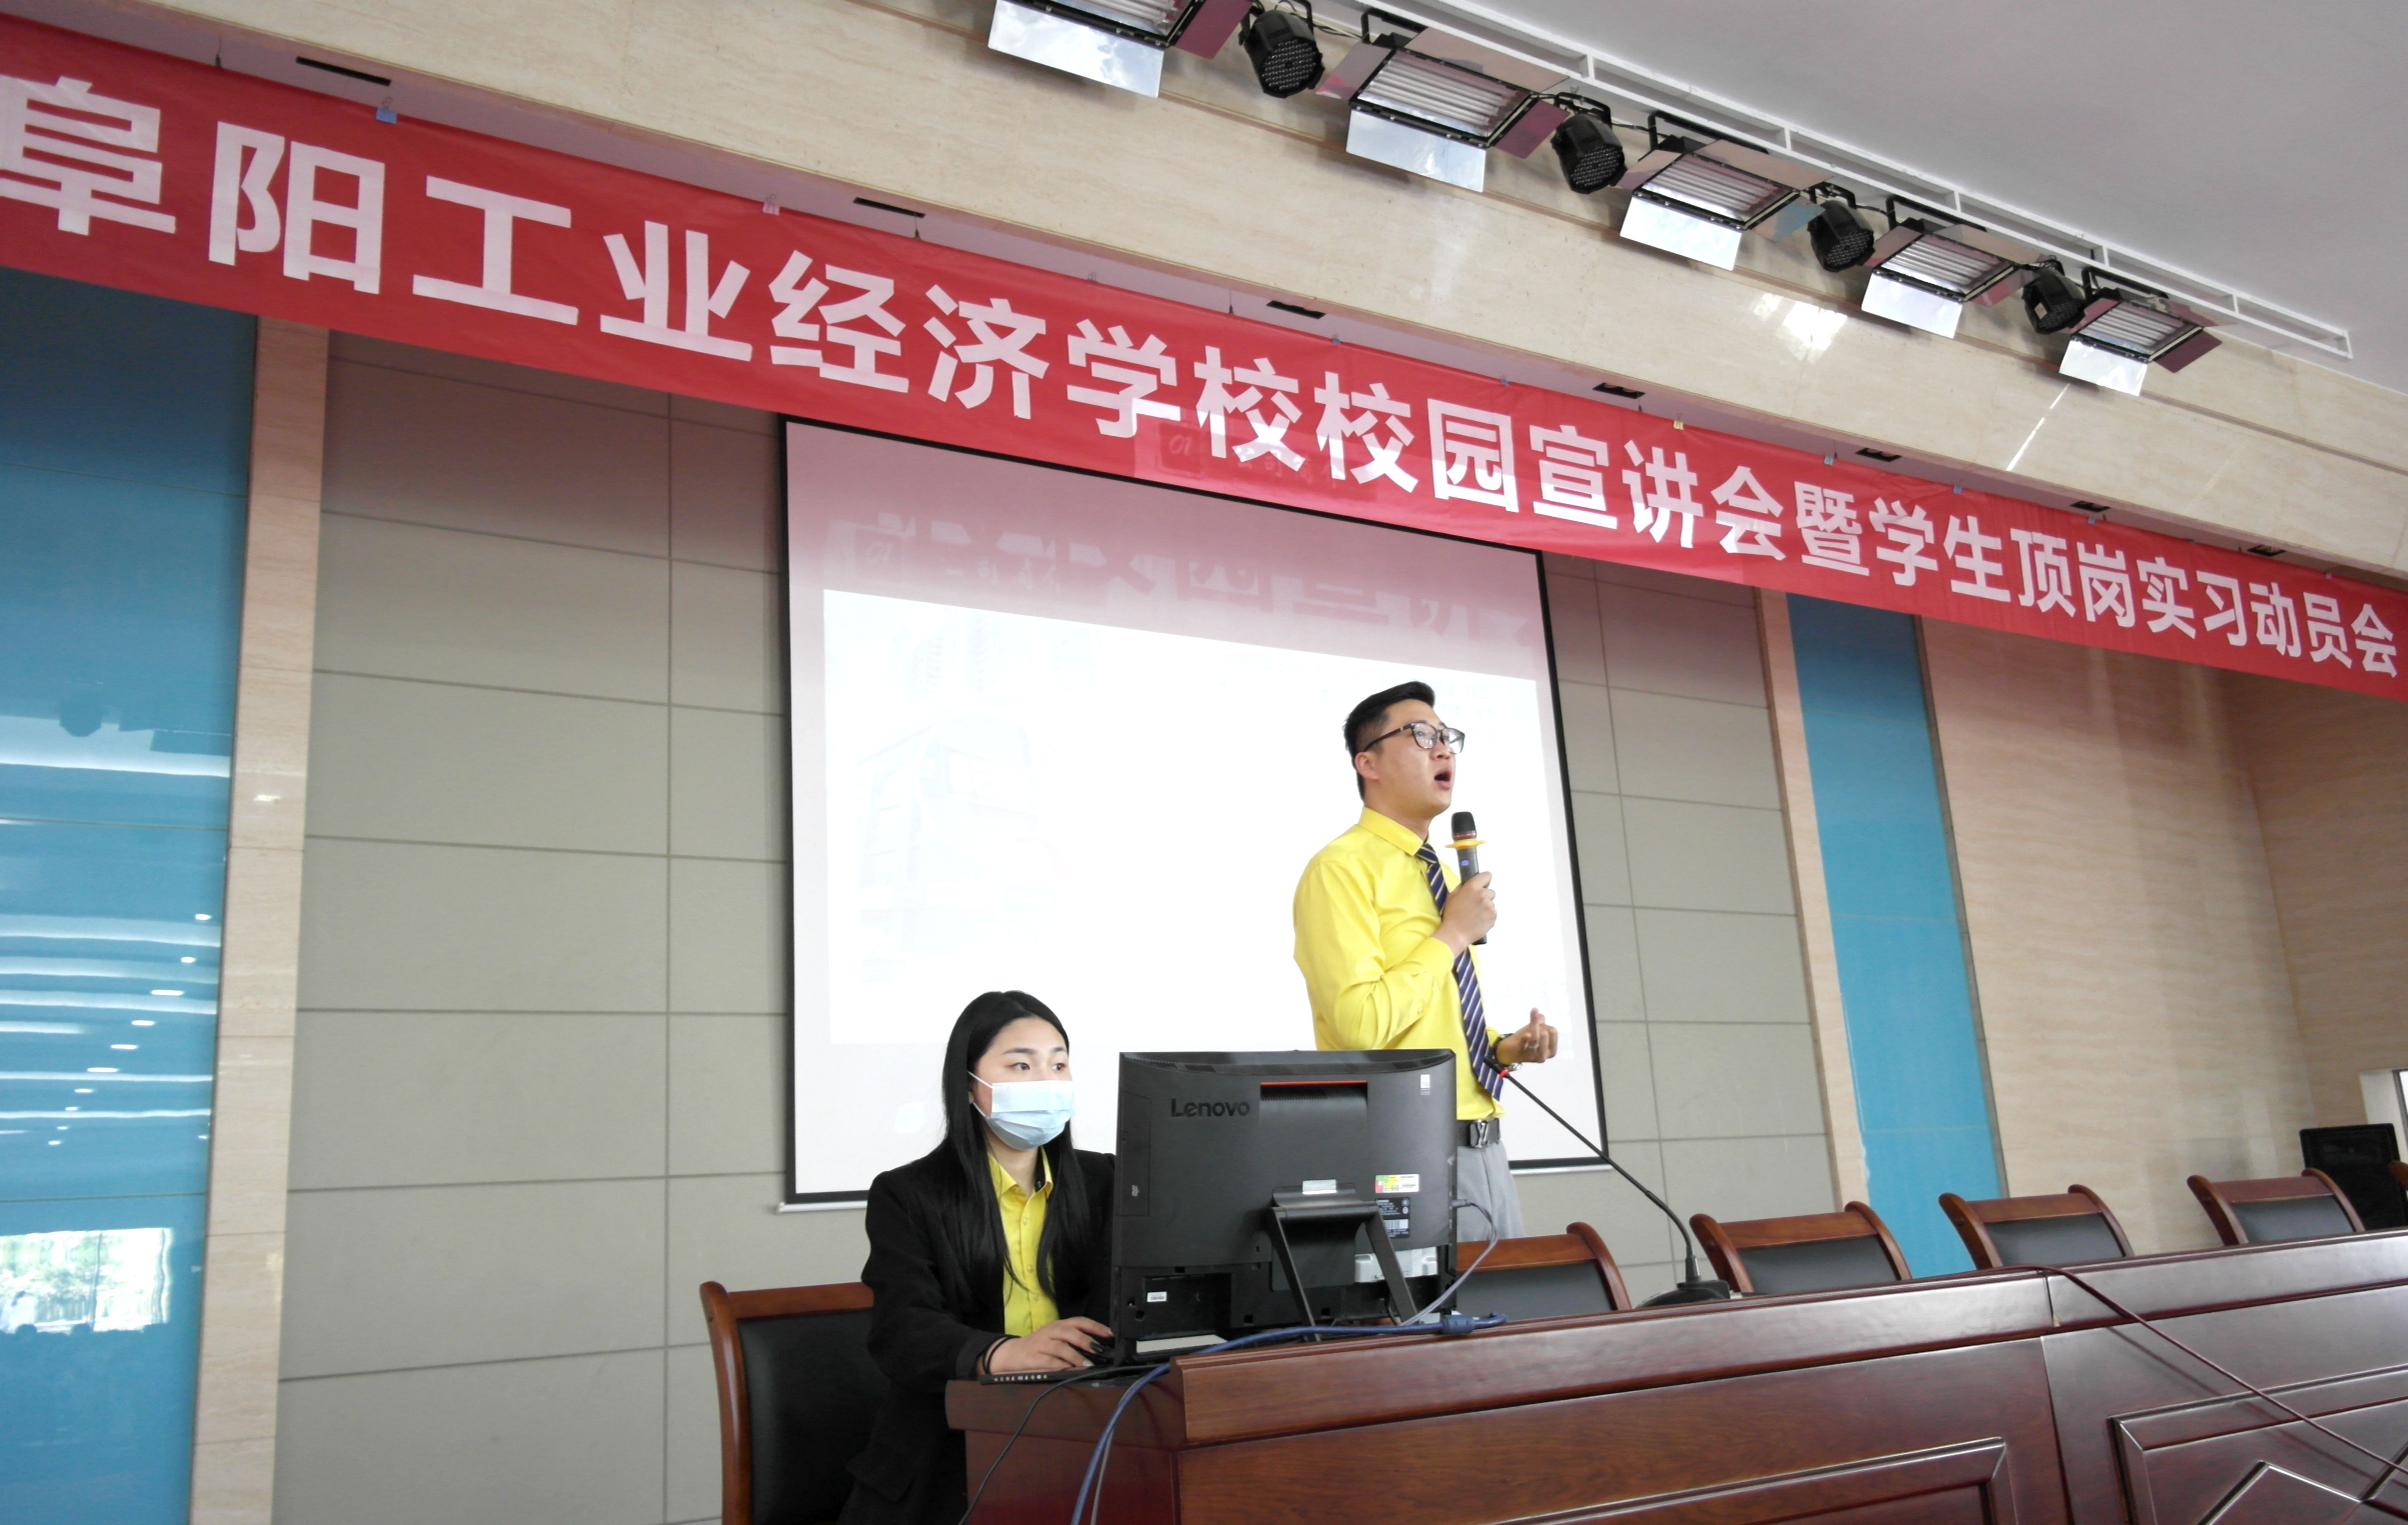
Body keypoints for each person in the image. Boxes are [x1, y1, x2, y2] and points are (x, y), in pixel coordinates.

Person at [1292, 680, 1559, 1242]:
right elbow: (1361, 1025)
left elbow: (1431, 1014)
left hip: (1484, 1146)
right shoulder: (1342, 868)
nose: (1442, 749)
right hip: (1402, 1152)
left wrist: (1502, 1047)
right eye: (1419, 735)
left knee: (1512, 1298)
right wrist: (1453, 933)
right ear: (1368, 763)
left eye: (1446, 737)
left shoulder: (1435, 868)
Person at [839, 991, 1115, 1525]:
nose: (1046, 1080)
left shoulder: (1106, 1181)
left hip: (1085, 1435)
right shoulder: (909, 1193)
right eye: (1021, 1065)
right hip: (949, 1456)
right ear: (969, 1084)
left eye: (1059, 1064)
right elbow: (903, 1329)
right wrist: (1002, 1353)